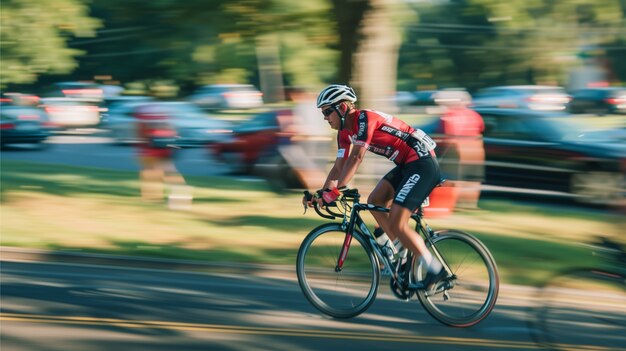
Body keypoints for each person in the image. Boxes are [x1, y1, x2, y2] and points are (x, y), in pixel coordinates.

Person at [303, 84, 446, 291]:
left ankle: (435, 269)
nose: (325, 117)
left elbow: (357, 157)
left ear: (342, 108)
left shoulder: (364, 119)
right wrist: (323, 193)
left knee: (397, 221)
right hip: (407, 165)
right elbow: (338, 168)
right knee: (375, 201)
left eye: (327, 111)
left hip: (422, 163)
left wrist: (337, 191)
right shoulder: (344, 133)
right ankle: (402, 257)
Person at [434, 90, 485, 210]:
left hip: (456, 149)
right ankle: (470, 204)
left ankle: (453, 204)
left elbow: (447, 135)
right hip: (476, 148)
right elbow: (481, 129)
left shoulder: (448, 116)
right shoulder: (474, 114)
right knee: (473, 178)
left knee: (453, 178)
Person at [135, 104, 192, 210]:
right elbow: (173, 130)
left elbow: (140, 134)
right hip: (164, 148)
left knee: (153, 173)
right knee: (164, 172)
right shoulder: (164, 113)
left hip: (150, 149)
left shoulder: (142, 113)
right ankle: (153, 198)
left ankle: (155, 198)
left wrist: (141, 147)